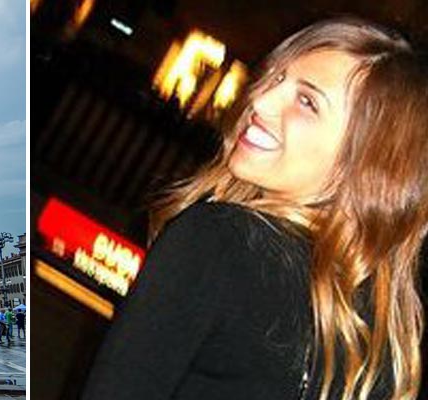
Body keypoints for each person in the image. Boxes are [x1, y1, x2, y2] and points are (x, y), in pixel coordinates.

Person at [82, 18, 428, 400]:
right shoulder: (384, 333)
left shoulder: (219, 242)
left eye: (308, 102)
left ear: (364, 162)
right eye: (276, 77)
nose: (260, 99)